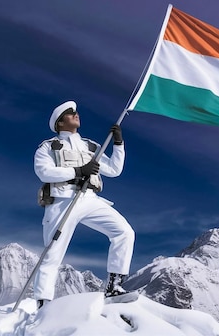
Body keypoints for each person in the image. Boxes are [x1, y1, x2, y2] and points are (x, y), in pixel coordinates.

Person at [33, 100, 136, 308]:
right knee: (52, 252)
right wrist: (77, 172)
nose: (76, 114)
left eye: (76, 112)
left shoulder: (91, 146)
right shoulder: (48, 147)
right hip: (62, 200)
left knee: (124, 232)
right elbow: (43, 171)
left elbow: (114, 170)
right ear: (60, 123)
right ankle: (43, 303)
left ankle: (114, 286)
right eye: (70, 113)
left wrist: (118, 144)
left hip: (89, 199)